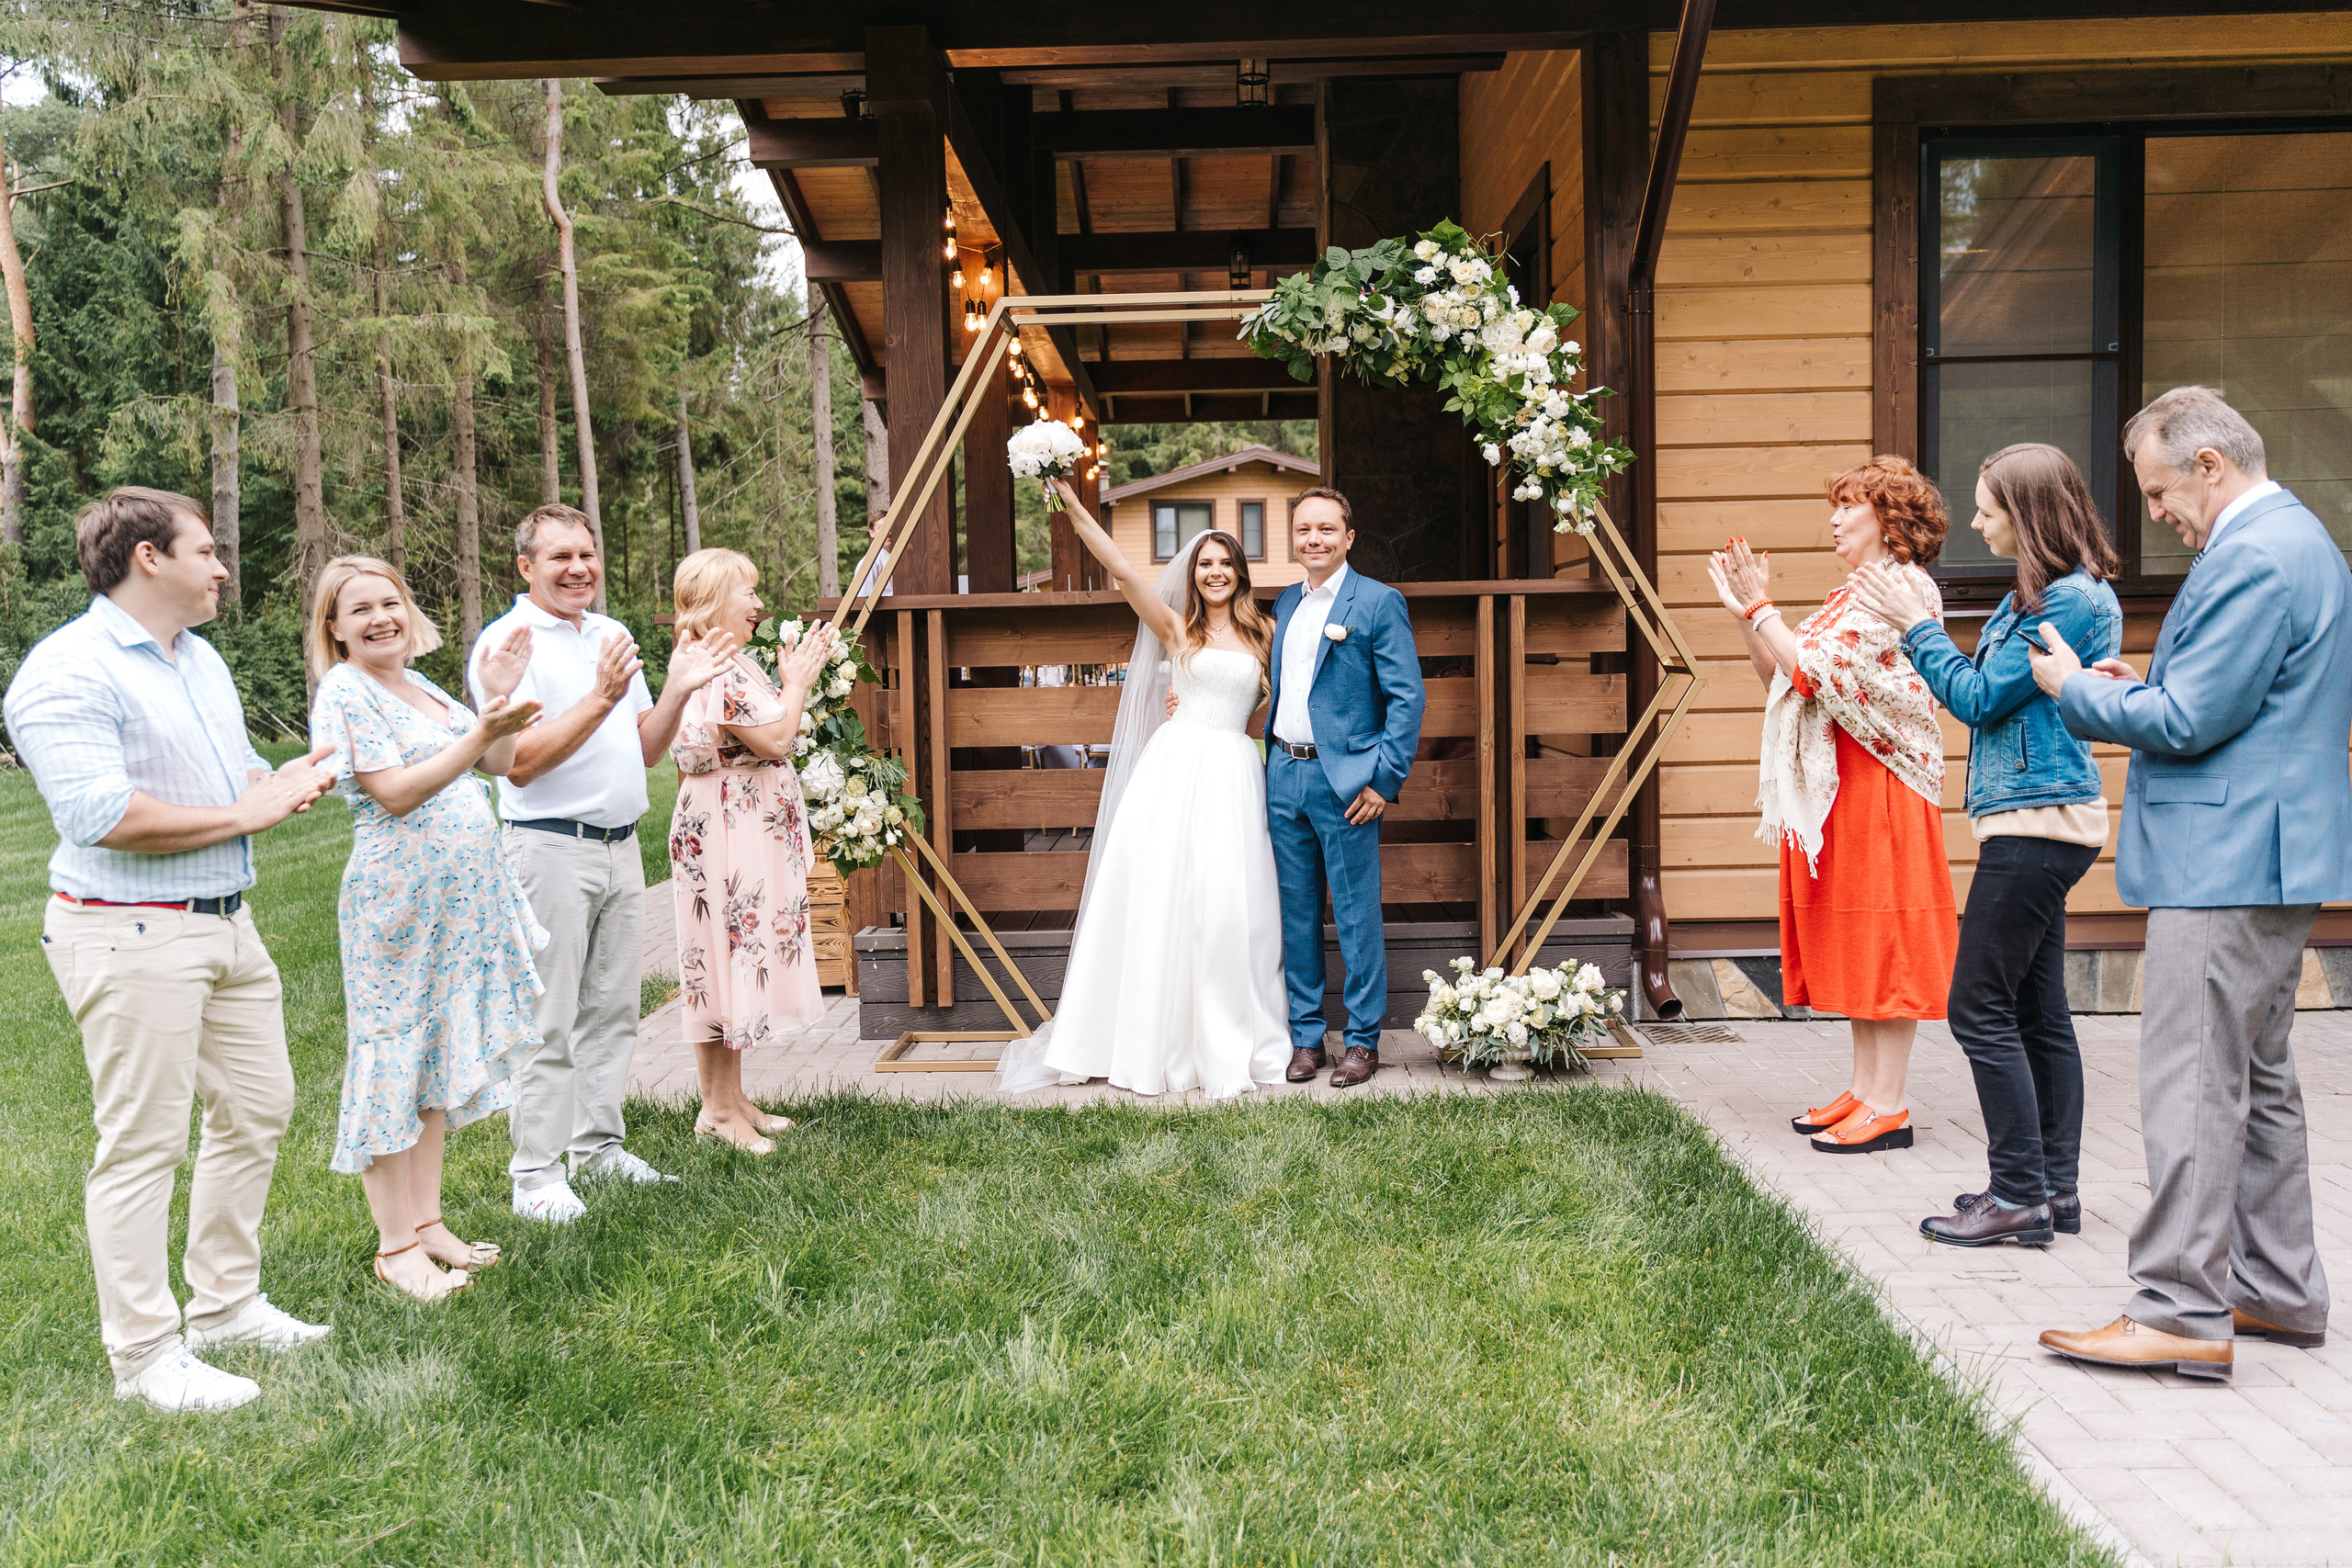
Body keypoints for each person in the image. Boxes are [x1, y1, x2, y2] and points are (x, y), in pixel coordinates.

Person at [2030, 387, 2352, 1381]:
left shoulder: (2252, 554)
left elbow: (2188, 724)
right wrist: (2142, 691)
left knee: (2191, 1083)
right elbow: (2226, 704)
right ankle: (2275, 1290)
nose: (2157, 512)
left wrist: (2074, 690)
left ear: (2210, 464)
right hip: (2266, 851)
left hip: (2228, 862)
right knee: (2257, 1079)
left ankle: (2176, 1307)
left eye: (2161, 489)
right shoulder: (2299, 541)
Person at [6, 487, 337, 1412]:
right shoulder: (64, 671)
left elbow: (225, 777)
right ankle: (146, 1357)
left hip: (229, 922)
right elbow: (100, 815)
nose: (222, 568)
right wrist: (245, 811)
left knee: (260, 1107)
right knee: (143, 1144)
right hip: (127, 930)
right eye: (206, 552)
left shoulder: (199, 662)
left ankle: (225, 1307)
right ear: (149, 558)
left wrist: (282, 780)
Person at [1849, 446, 2122, 1245]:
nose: (1974, 522)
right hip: (2033, 821)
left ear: (2029, 514)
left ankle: (2018, 1194)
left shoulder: (2065, 604)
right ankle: (2051, 1195)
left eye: (1987, 509)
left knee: (1976, 1007)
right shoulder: (2044, 598)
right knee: (2038, 1012)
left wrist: (1917, 628)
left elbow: (1973, 698)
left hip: (2038, 826)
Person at [470, 503, 739, 1224]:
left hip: (622, 847)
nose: (579, 568)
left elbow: (648, 748)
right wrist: (599, 697)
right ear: (525, 567)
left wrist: (678, 685)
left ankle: (599, 1149)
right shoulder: (508, 645)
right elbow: (519, 765)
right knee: (549, 1017)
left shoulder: (612, 635)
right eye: (559, 557)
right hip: (547, 848)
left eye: (586, 553)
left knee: (613, 1012)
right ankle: (535, 1176)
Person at [997, 487, 1293, 1097]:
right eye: (1204, 563)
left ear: (1240, 572)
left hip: (1235, 771)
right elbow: (1127, 571)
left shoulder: (1267, 632)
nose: (1213, 573)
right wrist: (1075, 509)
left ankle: (1227, 1035)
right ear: (1193, 573)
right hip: (1176, 768)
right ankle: (1147, 1037)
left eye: (1224, 563)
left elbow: (1279, 704)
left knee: (1231, 907)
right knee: (1164, 898)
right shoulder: (1176, 629)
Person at [308, 556, 548, 1301]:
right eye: (360, 610)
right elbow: (397, 792)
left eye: (391, 601)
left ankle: (429, 1221)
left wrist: (497, 703)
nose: (381, 617)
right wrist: (480, 735)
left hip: (458, 909)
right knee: (393, 1057)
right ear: (335, 630)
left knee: (435, 1060)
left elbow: (503, 763)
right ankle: (394, 1245)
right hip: (398, 906)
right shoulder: (345, 691)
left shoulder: (423, 686)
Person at [1708, 456, 1958, 1155]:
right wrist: (1748, 619)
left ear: (1888, 518)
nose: (1834, 518)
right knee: (1854, 930)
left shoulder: (1902, 587)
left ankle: (1891, 1103)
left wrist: (1764, 609)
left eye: (1848, 505)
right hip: (1841, 782)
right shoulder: (1850, 593)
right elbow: (1783, 676)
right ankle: (1864, 1086)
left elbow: (1814, 674)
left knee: (1885, 934)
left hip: (1883, 780)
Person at [665, 548, 835, 1151]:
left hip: (737, 822)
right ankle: (715, 1110)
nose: (760, 604)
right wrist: (797, 684)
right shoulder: (713, 664)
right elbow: (777, 736)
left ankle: (732, 1098)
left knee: (732, 958)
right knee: (717, 961)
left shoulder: (722, 658)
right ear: (716, 598)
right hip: (723, 828)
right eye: (749, 593)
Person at [1263, 490, 1425, 1089]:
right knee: (1296, 912)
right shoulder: (1287, 601)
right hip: (1283, 773)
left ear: (1348, 537)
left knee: (1356, 914)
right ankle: (1306, 1037)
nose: (1314, 539)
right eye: (1304, 529)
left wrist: (1384, 779)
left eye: (1326, 529)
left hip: (1349, 782)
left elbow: (1408, 697)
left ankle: (1361, 1041)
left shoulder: (1378, 602)